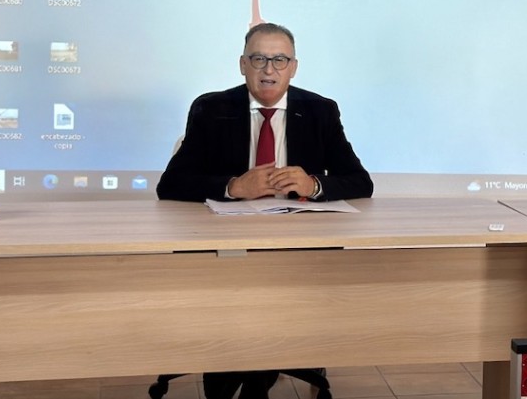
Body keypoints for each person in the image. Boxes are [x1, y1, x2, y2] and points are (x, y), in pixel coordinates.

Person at [157, 22, 372, 399]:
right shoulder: (211, 109)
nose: (268, 69)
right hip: (226, 251)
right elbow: (171, 185)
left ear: (294, 67)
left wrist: (314, 185)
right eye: (259, 59)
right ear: (243, 65)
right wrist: (232, 187)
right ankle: (235, 379)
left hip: (296, 253)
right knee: (237, 311)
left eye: (279, 60)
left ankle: (254, 383)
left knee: (272, 309)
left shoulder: (320, 111)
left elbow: (359, 182)